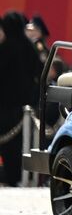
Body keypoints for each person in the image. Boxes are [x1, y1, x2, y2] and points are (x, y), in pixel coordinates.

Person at [0, 11, 42, 186]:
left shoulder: (5, 48)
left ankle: (11, 178)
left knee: (8, 146)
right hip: (26, 108)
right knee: (23, 145)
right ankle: (24, 177)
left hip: (5, 106)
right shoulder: (30, 47)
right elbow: (39, 72)